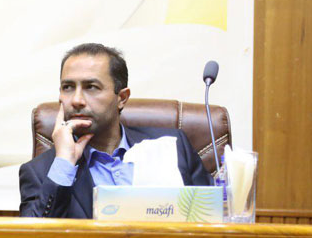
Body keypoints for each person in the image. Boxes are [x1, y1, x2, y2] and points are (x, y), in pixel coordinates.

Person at [19, 43, 212, 218]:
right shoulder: (42, 172)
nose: (76, 100)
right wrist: (64, 164)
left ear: (122, 98)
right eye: (68, 87)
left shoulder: (172, 148)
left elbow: (213, 214)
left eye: (91, 87)